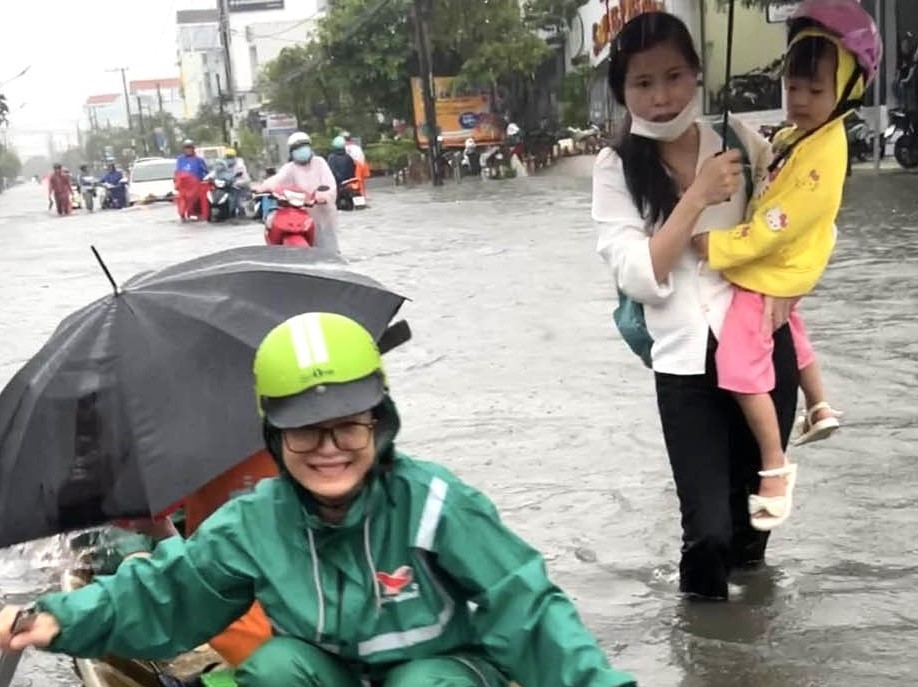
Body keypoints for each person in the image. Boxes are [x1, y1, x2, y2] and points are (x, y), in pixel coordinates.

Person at [0, 312, 637, 687]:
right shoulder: (251, 524)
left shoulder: (438, 503)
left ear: (380, 422)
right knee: (274, 667)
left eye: (349, 425)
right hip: (328, 674)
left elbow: (526, 607)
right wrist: (51, 620)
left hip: (440, 673)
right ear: (275, 436)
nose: (329, 448)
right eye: (305, 429)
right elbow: (166, 593)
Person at [593, 11, 798, 600]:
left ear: (698, 75)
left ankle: (747, 648)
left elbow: (804, 228)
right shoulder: (616, 168)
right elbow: (637, 273)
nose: (660, 97)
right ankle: (702, 644)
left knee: (752, 531)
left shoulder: (742, 144)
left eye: (674, 77)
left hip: (760, 349)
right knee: (707, 535)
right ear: (622, 91)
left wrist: (789, 290)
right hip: (683, 365)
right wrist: (698, 197)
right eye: (642, 83)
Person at [691, 0, 879, 532]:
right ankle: (819, 404)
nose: (799, 100)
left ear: (846, 91)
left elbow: (776, 222)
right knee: (791, 332)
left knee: (739, 365)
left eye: (816, 91)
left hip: (772, 267)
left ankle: (774, 463)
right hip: (791, 270)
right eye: (793, 88)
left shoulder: (824, 155)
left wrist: (718, 247)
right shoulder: (808, 136)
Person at [254, 132, 340, 253]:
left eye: (303, 147)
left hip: (322, 211)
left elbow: (330, 184)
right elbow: (277, 180)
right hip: (301, 211)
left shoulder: (320, 163)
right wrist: (261, 188)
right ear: (292, 152)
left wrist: (324, 196)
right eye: (297, 148)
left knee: (327, 244)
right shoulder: (290, 168)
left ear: (310, 147)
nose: (301, 151)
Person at [175, 139, 209, 220]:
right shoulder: (180, 159)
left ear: (193, 149)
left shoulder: (198, 160)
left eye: (190, 148)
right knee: (181, 200)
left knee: (195, 200)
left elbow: (205, 172)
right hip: (184, 186)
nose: (188, 150)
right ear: (183, 149)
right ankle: (183, 215)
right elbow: (178, 171)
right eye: (186, 148)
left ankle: (198, 214)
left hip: (196, 185)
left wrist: (205, 178)